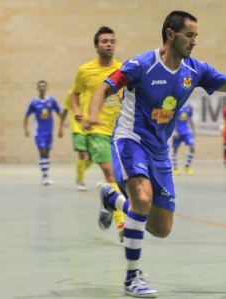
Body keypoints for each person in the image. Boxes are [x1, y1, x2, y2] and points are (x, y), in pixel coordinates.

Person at [87, 10, 226, 298]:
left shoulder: (195, 70)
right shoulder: (141, 64)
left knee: (161, 228)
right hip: (131, 139)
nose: (194, 41)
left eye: (196, 36)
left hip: (160, 151)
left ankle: (112, 198)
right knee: (144, 198)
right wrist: (92, 115)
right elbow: (104, 88)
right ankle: (131, 278)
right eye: (190, 35)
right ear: (171, 34)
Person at [71, 26, 125, 241]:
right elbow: (75, 94)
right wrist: (78, 112)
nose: (109, 44)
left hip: (121, 131)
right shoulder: (85, 71)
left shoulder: (123, 68)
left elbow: (132, 91)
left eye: (112, 41)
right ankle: (122, 223)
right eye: (104, 41)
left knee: (122, 179)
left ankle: (107, 200)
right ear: (96, 46)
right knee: (110, 174)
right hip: (97, 130)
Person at [23, 80, 61, 185]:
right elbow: (26, 116)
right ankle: (45, 176)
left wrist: (63, 123)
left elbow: (59, 112)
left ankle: (46, 173)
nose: (42, 88)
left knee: (47, 153)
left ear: (47, 87)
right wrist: (26, 129)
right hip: (38, 131)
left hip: (49, 131)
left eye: (43, 86)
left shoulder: (51, 101)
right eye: (40, 86)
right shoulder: (34, 102)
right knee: (42, 151)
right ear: (37, 88)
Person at [58, 89, 92, 191]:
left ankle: (79, 172)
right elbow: (65, 111)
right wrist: (60, 127)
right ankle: (80, 181)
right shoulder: (71, 93)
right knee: (81, 154)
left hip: (90, 127)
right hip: (77, 128)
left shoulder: (90, 92)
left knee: (92, 157)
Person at [171, 103, 195, 175]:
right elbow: (172, 120)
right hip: (177, 132)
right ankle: (175, 168)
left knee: (192, 147)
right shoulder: (176, 106)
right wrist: (174, 131)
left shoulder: (189, 107)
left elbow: (190, 119)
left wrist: (193, 130)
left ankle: (187, 166)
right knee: (175, 149)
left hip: (186, 132)